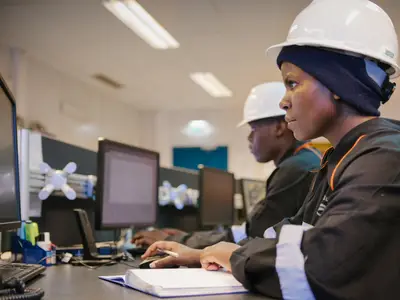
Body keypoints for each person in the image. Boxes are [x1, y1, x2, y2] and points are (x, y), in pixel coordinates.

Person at [142, 0, 400, 299]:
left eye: (292, 83)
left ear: (338, 82)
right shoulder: (344, 155)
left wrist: (234, 256)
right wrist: (205, 252)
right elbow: (287, 233)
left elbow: (323, 266)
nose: (284, 101)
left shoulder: (385, 157)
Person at [132, 82, 321, 249]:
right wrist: (184, 237)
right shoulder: (307, 159)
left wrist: (178, 240)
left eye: (254, 129)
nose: (249, 138)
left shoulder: (295, 170)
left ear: (279, 127)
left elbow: (251, 235)